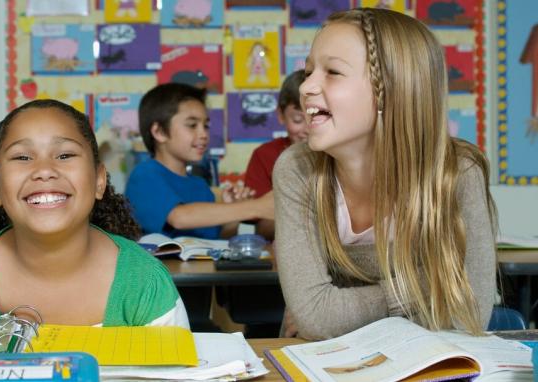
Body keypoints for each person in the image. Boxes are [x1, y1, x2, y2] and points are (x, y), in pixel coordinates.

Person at [274, 8, 496, 340]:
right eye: (308, 71)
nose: (306, 86)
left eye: (332, 71)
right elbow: (315, 317)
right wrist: (428, 282)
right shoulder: (297, 169)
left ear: (390, 90)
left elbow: (469, 312)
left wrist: (342, 306)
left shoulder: (457, 171)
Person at [0, 99, 189, 328]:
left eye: (65, 155)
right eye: (22, 157)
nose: (44, 170)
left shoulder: (145, 283)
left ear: (99, 180)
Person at [125, 83, 274, 239]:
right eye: (192, 125)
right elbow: (180, 218)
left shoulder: (200, 186)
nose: (203, 134)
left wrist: (234, 210)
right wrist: (255, 207)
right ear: (159, 132)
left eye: (206, 125)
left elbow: (216, 236)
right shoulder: (144, 176)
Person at [244, 69, 307, 240]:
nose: (307, 130)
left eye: (315, 118)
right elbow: (262, 226)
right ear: (281, 115)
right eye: (298, 120)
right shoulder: (264, 155)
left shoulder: (339, 154)